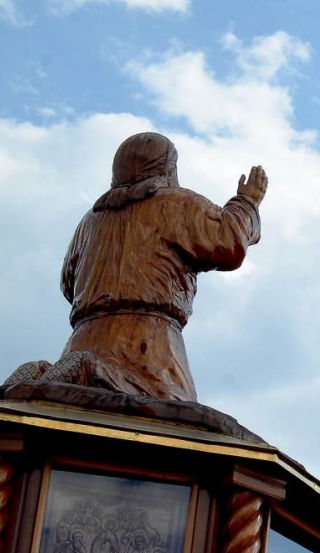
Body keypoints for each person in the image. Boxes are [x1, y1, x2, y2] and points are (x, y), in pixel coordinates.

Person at [56, 132, 267, 400]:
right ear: (167, 166)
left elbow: (68, 283)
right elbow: (228, 243)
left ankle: (54, 372)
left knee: (77, 400)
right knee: (169, 406)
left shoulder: (91, 221)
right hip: (148, 341)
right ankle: (95, 370)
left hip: (84, 335)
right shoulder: (175, 203)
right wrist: (247, 202)